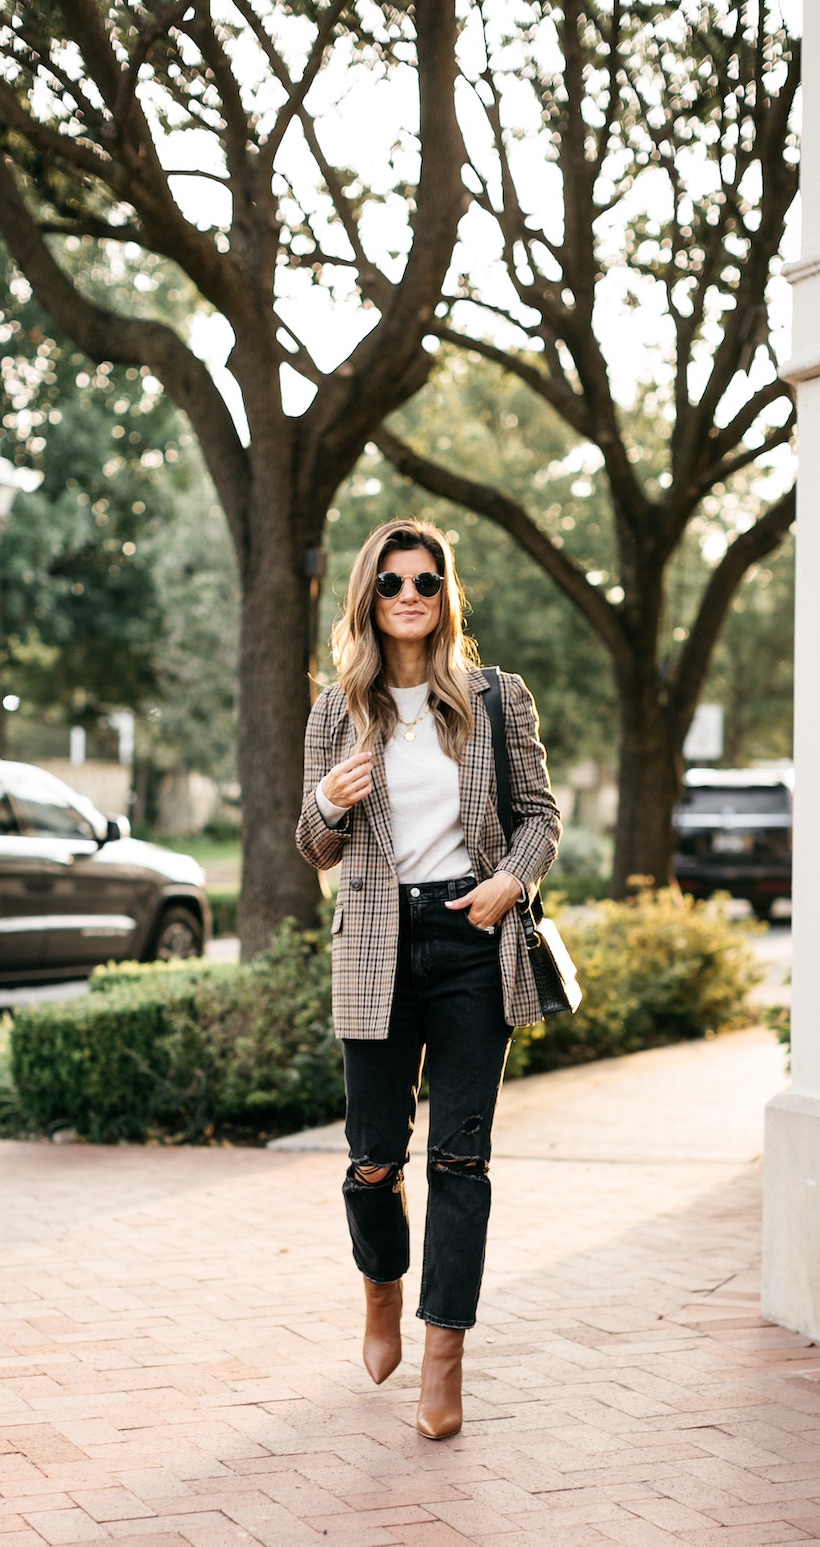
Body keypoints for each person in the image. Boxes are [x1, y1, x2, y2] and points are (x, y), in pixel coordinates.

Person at [295, 518, 561, 1439]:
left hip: (467, 937)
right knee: (373, 1160)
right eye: (392, 582)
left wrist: (510, 881)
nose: (410, 594)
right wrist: (328, 801)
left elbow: (540, 816)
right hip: (373, 942)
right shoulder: (337, 709)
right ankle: (381, 1288)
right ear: (369, 597)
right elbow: (311, 842)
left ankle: (443, 1357)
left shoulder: (495, 698)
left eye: (427, 580)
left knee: (461, 1159)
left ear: (446, 595)